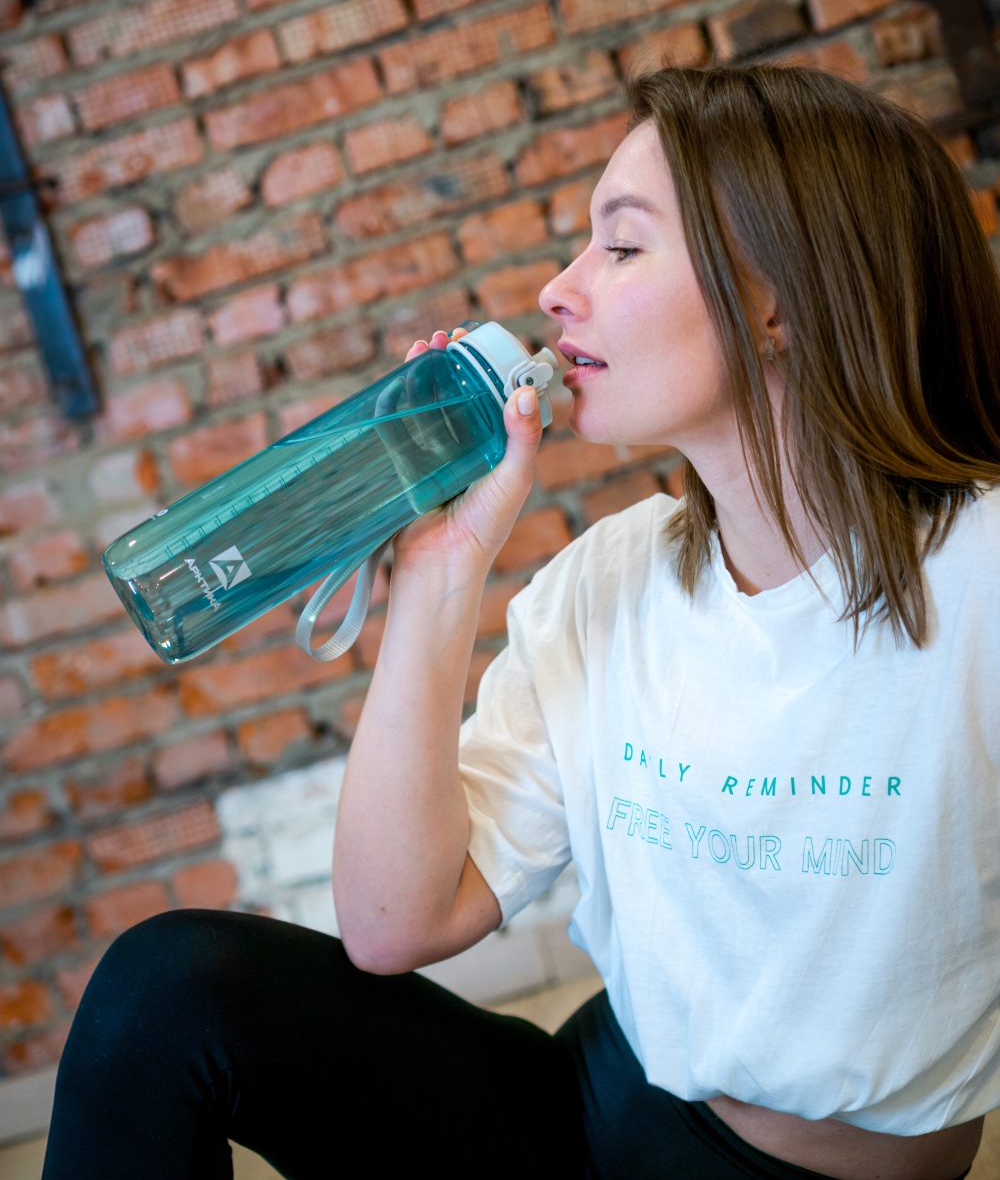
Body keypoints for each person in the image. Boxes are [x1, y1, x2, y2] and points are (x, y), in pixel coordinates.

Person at [42, 66, 1000, 1180]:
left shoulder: (980, 578)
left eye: (622, 246)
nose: (557, 289)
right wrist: (440, 573)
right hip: (593, 1105)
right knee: (165, 988)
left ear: (780, 298)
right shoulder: (608, 580)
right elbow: (395, 923)